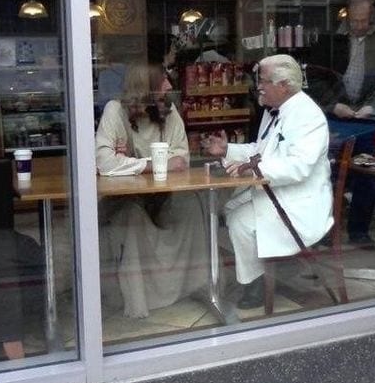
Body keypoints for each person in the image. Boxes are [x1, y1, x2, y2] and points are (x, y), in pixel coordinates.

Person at [203, 54, 333, 309]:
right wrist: (227, 149)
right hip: (277, 195)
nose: (258, 86)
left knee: (238, 220)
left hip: (299, 203)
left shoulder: (308, 116)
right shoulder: (274, 111)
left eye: (263, 81)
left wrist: (254, 170)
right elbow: (260, 150)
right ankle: (263, 268)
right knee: (226, 211)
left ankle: (255, 283)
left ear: (283, 85)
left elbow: (299, 166)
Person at [95, 63, 209, 318]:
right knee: (132, 217)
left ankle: (195, 285)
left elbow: (181, 159)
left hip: (163, 194)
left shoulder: (168, 110)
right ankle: (138, 300)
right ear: (144, 90)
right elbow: (104, 163)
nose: (169, 86)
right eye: (162, 82)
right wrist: (155, 164)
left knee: (191, 204)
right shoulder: (116, 110)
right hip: (125, 197)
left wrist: (129, 163)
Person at [312, 0, 375, 249]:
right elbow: (316, 78)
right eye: (354, 21)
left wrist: (374, 106)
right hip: (337, 116)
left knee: (369, 174)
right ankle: (322, 231)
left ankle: (359, 231)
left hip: (370, 117)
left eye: (364, 21)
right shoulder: (331, 40)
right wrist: (334, 105)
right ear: (347, 15)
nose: (359, 26)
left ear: (373, 17)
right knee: (326, 174)